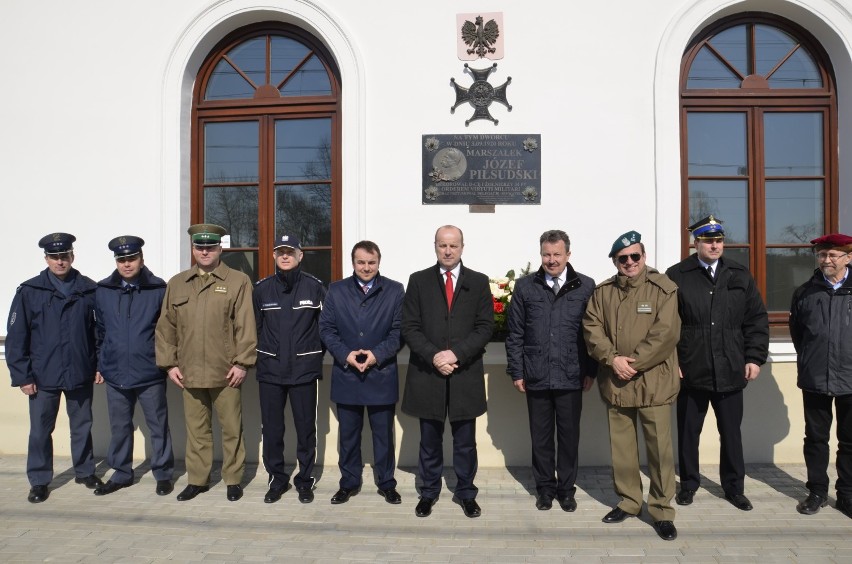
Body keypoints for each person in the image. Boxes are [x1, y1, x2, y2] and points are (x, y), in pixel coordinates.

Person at [665, 216, 768, 511]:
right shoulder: (677, 275)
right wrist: (673, 360)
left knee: (731, 433)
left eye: (719, 240)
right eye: (708, 240)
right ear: (695, 243)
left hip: (731, 367)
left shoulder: (739, 274)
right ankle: (688, 485)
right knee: (688, 432)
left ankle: (734, 488)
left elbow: (756, 320)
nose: (714, 245)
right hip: (691, 368)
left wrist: (754, 357)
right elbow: (667, 324)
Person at [583, 230, 681, 541]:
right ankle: (628, 501)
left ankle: (662, 510)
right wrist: (613, 360)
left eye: (635, 256)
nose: (629, 262)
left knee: (659, 451)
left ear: (644, 256)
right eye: (623, 258)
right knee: (622, 450)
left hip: (654, 382)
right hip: (617, 381)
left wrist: (633, 363)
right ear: (615, 261)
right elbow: (592, 328)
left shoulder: (663, 289)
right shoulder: (603, 292)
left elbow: (665, 334)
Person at [155, 224, 256, 502]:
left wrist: (242, 363)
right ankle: (198, 480)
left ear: (220, 248)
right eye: (200, 247)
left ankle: (233, 479)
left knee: (231, 429)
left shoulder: (238, 281)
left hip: (226, 371)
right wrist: (170, 364)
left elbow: (246, 326)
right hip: (188, 371)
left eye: (210, 247)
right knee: (197, 430)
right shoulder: (177, 283)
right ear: (193, 249)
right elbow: (166, 328)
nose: (205, 251)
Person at [401, 225, 494, 518]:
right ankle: (428, 493)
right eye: (443, 245)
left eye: (453, 246)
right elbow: (410, 327)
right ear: (435, 246)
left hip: (464, 374)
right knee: (429, 441)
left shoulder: (478, 282)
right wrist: (434, 356)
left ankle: (466, 493)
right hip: (428, 375)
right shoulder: (418, 281)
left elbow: (485, 327)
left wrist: (456, 353)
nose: (448, 251)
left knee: (465, 443)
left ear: (462, 247)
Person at [6, 232, 103, 503]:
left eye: (64, 256)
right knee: (40, 430)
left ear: (72, 256)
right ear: (46, 259)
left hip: (81, 371)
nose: (60, 262)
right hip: (41, 375)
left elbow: (98, 333)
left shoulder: (88, 289)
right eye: (54, 257)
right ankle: (39, 480)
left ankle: (85, 471)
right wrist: (22, 375)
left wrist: (98, 365)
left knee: (82, 426)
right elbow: (16, 337)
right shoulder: (30, 291)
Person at [506, 229, 596, 512]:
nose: (552, 260)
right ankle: (544, 490)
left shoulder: (585, 285)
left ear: (568, 254)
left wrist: (591, 370)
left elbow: (593, 333)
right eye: (547, 254)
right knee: (541, 438)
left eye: (557, 254)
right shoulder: (525, 287)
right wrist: (517, 371)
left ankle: (566, 490)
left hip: (572, 374)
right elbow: (515, 333)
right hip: (537, 374)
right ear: (540, 254)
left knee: (569, 438)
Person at [319, 240, 405, 505]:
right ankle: (349, 483)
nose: (366, 268)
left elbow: (399, 332)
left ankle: (387, 483)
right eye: (361, 262)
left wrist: (376, 355)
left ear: (379, 262)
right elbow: (326, 329)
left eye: (371, 262)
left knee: (383, 436)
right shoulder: (336, 290)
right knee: (348, 436)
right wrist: (345, 354)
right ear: (352, 262)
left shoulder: (394, 290)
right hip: (347, 374)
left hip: (380, 373)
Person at [93, 235, 175, 497]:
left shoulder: (158, 289)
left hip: (149, 371)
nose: (127, 264)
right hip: (115, 372)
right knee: (120, 427)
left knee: (157, 425)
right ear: (116, 262)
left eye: (132, 258)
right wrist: (100, 363)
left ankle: (163, 473)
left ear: (141, 259)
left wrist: (166, 363)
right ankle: (122, 473)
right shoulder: (104, 290)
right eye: (122, 260)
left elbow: (168, 331)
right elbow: (99, 331)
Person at [253, 234, 326, 504]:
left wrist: (312, 355)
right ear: (273, 256)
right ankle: (277, 480)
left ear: (300, 255)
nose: (285, 256)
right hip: (271, 370)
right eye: (280, 252)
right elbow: (255, 328)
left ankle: (304, 481)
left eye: (290, 251)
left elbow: (325, 328)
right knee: (272, 430)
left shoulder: (315, 288)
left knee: (306, 428)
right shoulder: (261, 289)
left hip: (304, 371)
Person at [790, 233, 852, 519]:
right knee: (815, 438)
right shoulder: (805, 292)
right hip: (815, 376)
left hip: (851, 378)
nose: (826, 260)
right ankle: (816, 492)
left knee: (849, 440)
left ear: (848, 257)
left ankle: (847, 494)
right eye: (822, 255)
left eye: (833, 255)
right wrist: (809, 359)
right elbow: (798, 334)